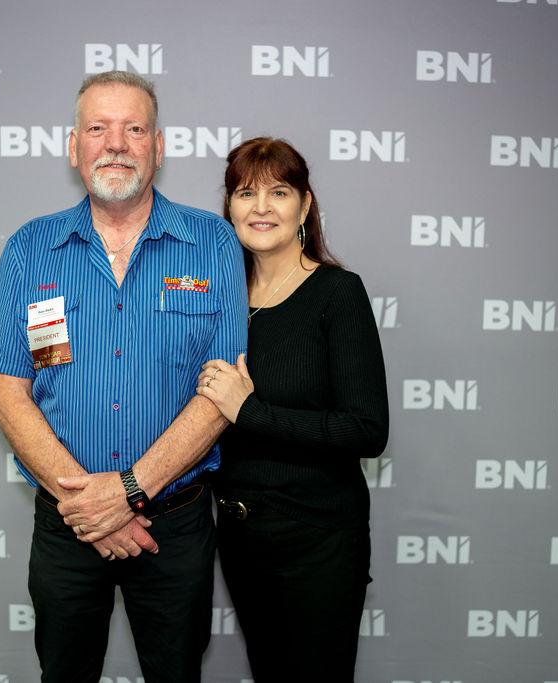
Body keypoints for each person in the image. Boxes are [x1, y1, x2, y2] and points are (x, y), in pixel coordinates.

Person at [0, 71, 247, 683]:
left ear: (158, 146)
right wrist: (89, 506)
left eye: (134, 129)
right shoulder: (29, 249)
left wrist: (126, 494)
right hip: (67, 524)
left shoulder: (213, 243)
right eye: (98, 128)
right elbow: (10, 394)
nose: (116, 144)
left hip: (174, 527)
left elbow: (222, 394)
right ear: (74, 148)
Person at [196, 137, 389, 682]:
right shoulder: (217, 300)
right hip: (240, 537)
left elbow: (367, 429)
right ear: (229, 207)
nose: (261, 207)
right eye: (246, 193)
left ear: (304, 206)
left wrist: (249, 411)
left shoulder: (337, 293)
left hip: (317, 540)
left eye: (278, 192)